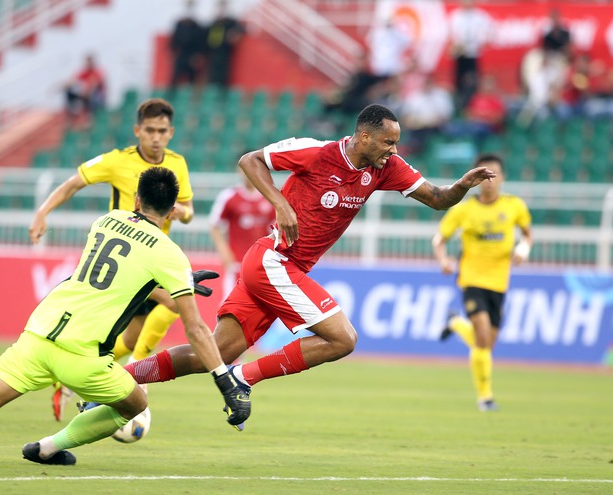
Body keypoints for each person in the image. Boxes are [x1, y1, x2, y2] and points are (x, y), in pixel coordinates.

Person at [114, 104, 496, 425]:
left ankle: (114, 379)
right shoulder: (315, 152)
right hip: (273, 261)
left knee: (210, 355)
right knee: (343, 338)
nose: (393, 151)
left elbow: (439, 198)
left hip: (280, 269)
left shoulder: (385, 167)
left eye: (395, 144)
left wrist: (463, 185)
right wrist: (279, 203)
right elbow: (251, 161)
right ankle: (244, 378)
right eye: (388, 142)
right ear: (364, 136)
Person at [0, 168, 250, 466]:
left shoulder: (107, 221)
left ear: (135, 200)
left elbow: (122, 276)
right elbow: (194, 326)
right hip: (84, 356)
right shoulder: (170, 255)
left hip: (39, 334)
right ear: (172, 210)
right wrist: (223, 379)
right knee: (133, 404)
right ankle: (48, 448)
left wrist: (172, 282)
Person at [28, 98, 196, 421]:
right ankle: (138, 378)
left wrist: (184, 213)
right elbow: (73, 183)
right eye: (149, 130)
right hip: (126, 260)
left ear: (171, 133)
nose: (156, 137)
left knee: (132, 337)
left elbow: (188, 209)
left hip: (155, 258)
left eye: (162, 131)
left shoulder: (178, 164)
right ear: (138, 130)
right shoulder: (117, 162)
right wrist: (42, 212)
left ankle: (67, 381)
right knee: (175, 302)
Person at [432, 154, 532, 412]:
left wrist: (523, 249)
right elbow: (439, 240)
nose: (489, 181)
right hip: (471, 278)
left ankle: (454, 323)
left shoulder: (514, 206)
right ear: (477, 178)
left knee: (485, 344)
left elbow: (528, 235)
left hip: (499, 282)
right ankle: (485, 398)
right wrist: (443, 260)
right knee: (484, 338)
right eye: (485, 175)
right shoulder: (464, 209)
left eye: (495, 175)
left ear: (503, 178)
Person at [209, 163, 275, 299]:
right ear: (238, 170)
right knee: (229, 307)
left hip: (262, 265)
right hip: (237, 264)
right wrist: (224, 252)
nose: (247, 173)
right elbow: (214, 225)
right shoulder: (229, 196)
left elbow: (276, 228)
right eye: (244, 169)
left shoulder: (270, 196)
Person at [448, 0, 493, 110]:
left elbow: (489, 32)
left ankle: (472, 103)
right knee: (458, 80)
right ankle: (460, 104)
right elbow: (452, 34)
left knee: (473, 80)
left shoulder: (480, 16)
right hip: (460, 53)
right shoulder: (456, 16)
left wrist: (480, 42)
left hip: (473, 53)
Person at [205, 0, 245, 87]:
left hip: (224, 51)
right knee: (212, 73)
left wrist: (235, 34)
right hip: (213, 52)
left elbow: (241, 29)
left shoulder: (230, 22)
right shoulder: (214, 23)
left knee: (223, 73)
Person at [169, 0, 207, 88]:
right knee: (175, 76)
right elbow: (174, 41)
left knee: (191, 78)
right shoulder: (180, 24)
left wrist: (198, 55)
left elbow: (201, 43)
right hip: (181, 54)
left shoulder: (197, 26)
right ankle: (171, 95)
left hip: (192, 56)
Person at [64, 54, 106, 124]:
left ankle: (91, 118)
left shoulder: (98, 72)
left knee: (93, 94)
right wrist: (62, 86)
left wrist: (87, 92)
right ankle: (72, 113)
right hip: (85, 95)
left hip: (97, 99)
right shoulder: (84, 72)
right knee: (69, 91)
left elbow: (94, 84)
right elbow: (72, 80)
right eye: (87, 62)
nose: (89, 63)